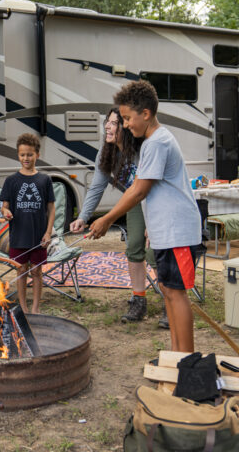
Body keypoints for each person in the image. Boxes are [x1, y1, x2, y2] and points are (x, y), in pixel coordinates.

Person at [87, 81, 203, 352]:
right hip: (167, 233)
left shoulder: (158, 143)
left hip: (179, 233)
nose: (125, 125)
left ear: (146, 114)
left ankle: (185, 361)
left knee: (176, 295)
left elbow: (138, 190)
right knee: (169, 292)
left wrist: (106, 219)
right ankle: (177, 357)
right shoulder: (152, 142)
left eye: (127, 118)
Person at [69, 107, 166, 327]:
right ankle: (139, 301)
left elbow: (150, 187)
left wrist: (151, 225)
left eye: (114, 123)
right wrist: (83, 217)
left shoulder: (142, 149)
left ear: (125, 128)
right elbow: (96, 188)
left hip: (155, 200)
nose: (107, 127)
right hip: (133, 202)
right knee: (133, 248)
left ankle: (169, 303)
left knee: (155, 250)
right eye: (108, 122)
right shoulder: (106, 152)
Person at [0, 133, 55, 314]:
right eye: (22, 154)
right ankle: (22, 308)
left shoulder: (44, 180)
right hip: (18, 235)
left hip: (39, 235)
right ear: (18, 155)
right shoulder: (11, 181)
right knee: (21, 271)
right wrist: (5, 212)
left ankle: (35, 308)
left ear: (37, 155)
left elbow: (51, 209)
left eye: (30, 154)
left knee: (37, 272)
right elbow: (4, 206)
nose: (26, 158)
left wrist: (48, 233)